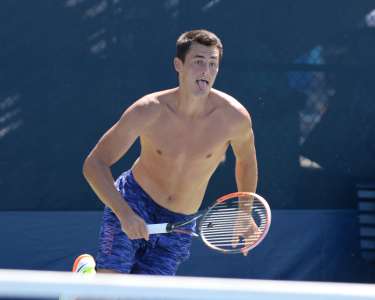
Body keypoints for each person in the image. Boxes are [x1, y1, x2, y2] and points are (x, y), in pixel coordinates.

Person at [82, 29, 258, 275]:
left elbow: (247, 162)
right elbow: (94, 164)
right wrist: (125, 213)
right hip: (134, 202)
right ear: (179, 65)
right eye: (198, 62)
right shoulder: (148, 110)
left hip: (180, 223)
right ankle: (91, 279)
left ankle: (85, 280)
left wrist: (245, 211)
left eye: (212, 63)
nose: (206, 71)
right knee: (109, 290)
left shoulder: (234, 118)